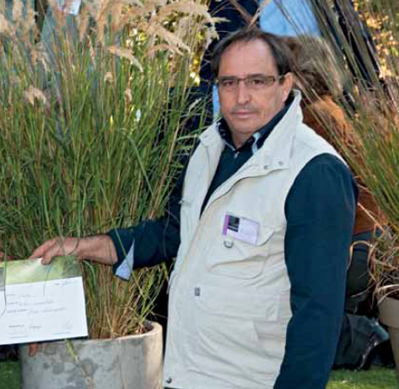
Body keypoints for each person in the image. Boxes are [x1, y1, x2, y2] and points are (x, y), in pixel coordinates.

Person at [31, 28, 357, 389]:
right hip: (188, 373)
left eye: (258, 81)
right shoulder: (207, 150)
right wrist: (83, 247)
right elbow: (173, 234)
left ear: (285, 86)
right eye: (229, 83)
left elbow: (318, 314)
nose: (242, 96)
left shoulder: (313, 170)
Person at [285, 35, 391, 370]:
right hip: (364, 248)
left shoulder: (312, 118)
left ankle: (359, 339)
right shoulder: (326, 110)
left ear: (299, 72)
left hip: (354, 252)